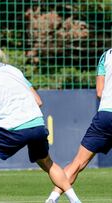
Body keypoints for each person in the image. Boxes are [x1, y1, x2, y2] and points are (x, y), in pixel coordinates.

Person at [0, 37, 81, 203]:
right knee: (46, 162)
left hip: (12, 130)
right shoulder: (12, 70)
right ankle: (75, 199)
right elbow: (38, 100)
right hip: (36, 124)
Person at [45, 48, 112, 203]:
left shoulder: (106, 55)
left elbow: (100, 92)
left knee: (78, 163)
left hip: (105, 115)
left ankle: (52, 198)